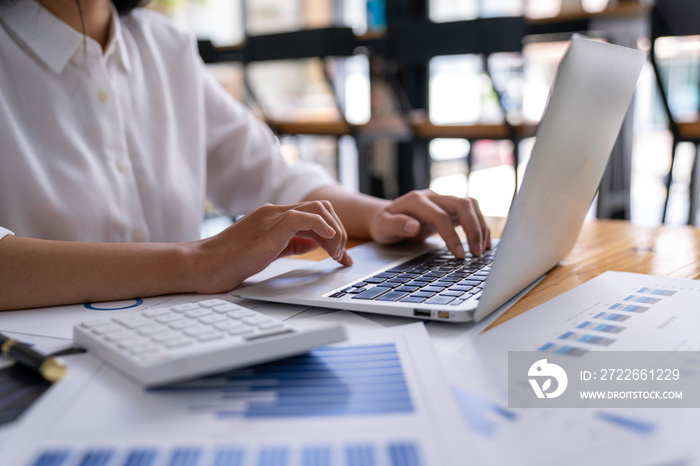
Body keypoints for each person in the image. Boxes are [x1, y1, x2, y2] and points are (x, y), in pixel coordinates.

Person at [0, 0, 491, 312]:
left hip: (180, 337)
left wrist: (380, 214)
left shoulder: (162, 43)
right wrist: (197, 261)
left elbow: (272, 179)